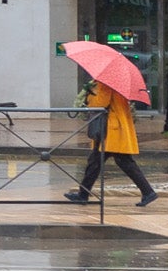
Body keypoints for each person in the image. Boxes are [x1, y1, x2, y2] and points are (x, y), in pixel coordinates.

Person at [64, 78, 157, 207]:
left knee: (116, 162)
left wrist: (89, 93)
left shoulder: (105, 82)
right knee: (97, 162)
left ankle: (148, 192)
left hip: (110, 130)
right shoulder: (116, 82)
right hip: (113, 128)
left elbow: (100, 103)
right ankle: (83, 194)